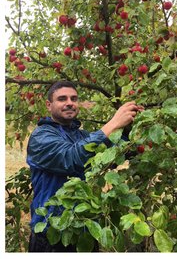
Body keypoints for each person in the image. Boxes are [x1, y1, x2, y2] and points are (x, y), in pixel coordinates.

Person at [27, 80, 142, 252]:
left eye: (74, 98)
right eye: (62, 99)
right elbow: (71, 158)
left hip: (85, 229)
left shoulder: (82, 135)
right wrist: (113, 123)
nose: (69, 103)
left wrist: (131, 128)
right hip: (52, 233)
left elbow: (111, 154)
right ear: (49, 105)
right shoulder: (41, 137)